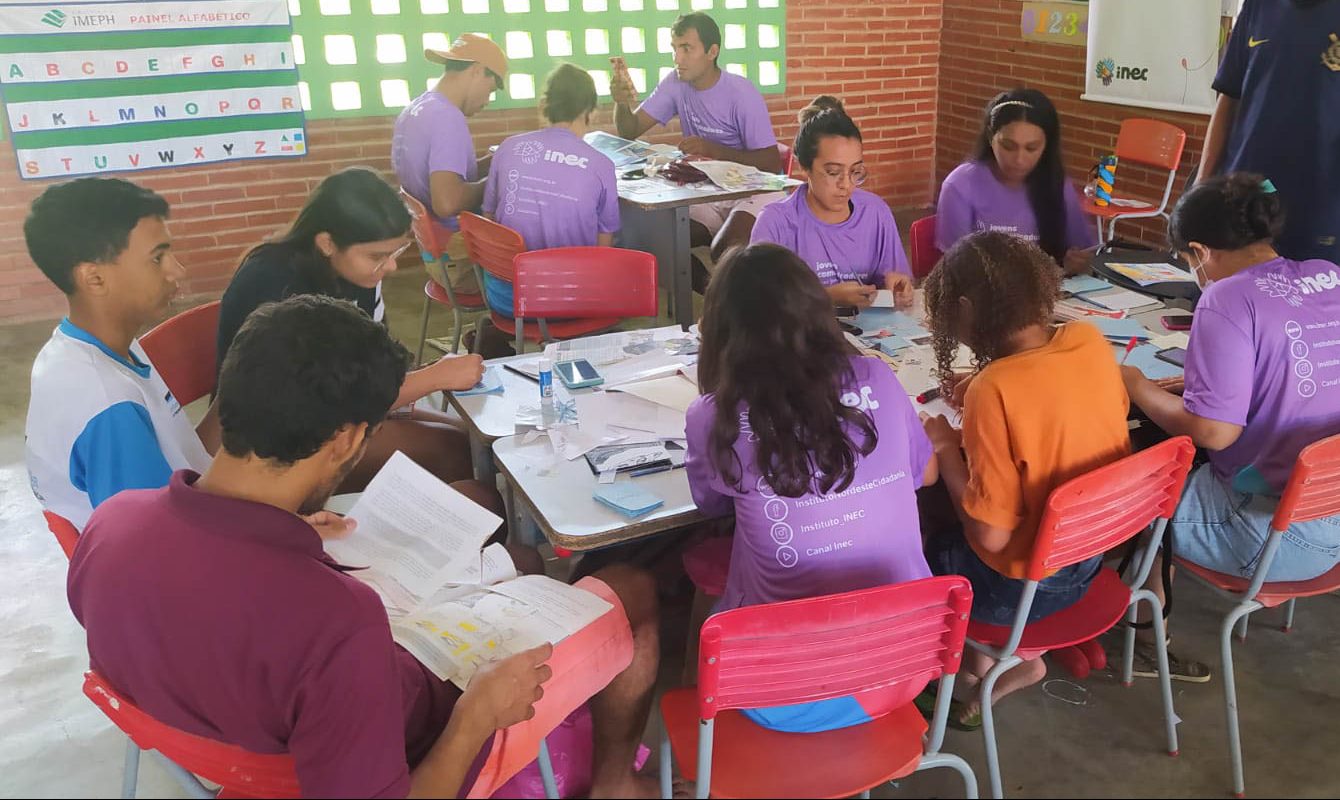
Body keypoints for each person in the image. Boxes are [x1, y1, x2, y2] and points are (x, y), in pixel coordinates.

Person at [68, 294, 664, 798]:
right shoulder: (338, 623)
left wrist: (294, 538)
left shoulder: (112, 525)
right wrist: (475, 717)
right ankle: (615, 783)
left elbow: (210, 599)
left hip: (243, 724)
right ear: (346, 438)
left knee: (499, 534)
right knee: (632, 586)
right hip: (415, 734)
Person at [684, 243, 938, 733]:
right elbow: (922, 476)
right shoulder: (878, 378)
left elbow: (710, 504)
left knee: (712, 563)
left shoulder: (712, 416)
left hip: (779, 692)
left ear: (718, 335)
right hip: (904, 667)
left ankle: (699, 714)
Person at [1122, 174, 1340, 675]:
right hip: (1328, 514)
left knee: (1133, 494)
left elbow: (1213, 433)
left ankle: (1143, 637)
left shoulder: (1226, 299)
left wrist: (1137, 387)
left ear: (1198, 251)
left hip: (1272, 535)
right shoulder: (1327, 275)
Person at [919, 232, 1131, 726]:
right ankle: (1013, 661)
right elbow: (1069, 405)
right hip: (1090, 562)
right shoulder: (1087, 339)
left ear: (966, 309)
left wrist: (948, 450)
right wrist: (982, 386)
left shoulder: (994, 391)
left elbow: (989, 534)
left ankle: (978, 671)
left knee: (923, 542)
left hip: (1019, 593)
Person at [216, 166, 485, 492]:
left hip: (339, 415)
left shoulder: (355, 273)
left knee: (473, 438)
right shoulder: (275, 286)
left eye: (396, 251)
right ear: (327, 243)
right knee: (454, 451)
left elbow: (372, 368)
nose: (391, 266)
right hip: (279, 444)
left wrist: (414, 385)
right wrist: (434, 378)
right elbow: (318, 404)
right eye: (377, 255)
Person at [23, 177, 212, 531]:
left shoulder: (92, 346)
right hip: (175, 558)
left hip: (189, 519)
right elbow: (156, 544)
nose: (178, 271)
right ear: (94, 279)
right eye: (158, 258)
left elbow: (179, 456)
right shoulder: (107, 402)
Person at [610, 12, 783, 273]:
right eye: (675, 48)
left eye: (687, 48)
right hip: (707, 191)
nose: (677, 58)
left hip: (753, 191)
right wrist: (621, 101)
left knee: (725, 251)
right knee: (658, 242)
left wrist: (713, 150)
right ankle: (707, 295)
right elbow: (628, 129)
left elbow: (771, 163)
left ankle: (719, 296)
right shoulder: (675, 83)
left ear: (712, 51)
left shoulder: (741, 92)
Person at [1197, 0, 1340, 263]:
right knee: (1227, 297)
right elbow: (1228, 97)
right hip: (1243, 199)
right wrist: (1201, 186)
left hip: (1319, 208)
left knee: (1307, 301)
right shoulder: (1257, 6)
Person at [482, 63, 621, 318]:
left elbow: (488, 219)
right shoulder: (601, 165)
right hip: (570, 301)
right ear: (591, 110)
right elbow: (604, 248)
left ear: (544, 104)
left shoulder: (508, 148)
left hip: (505, 299)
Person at [750, 95, 913, 311]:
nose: (846, 184)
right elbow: (756, 304)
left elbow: (895, 281)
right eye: (833, 172)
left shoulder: (875, 212)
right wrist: (825, 297)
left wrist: (898, 288)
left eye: (855, 172)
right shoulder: (776, 222)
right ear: (805, 168)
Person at [392, 33, 508, 293]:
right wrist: (498, 180)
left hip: (436, 259)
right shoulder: (448, 119)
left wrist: (494, 161)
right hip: (462, 264)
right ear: (478, 71)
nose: (487, 101)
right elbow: (447, 203)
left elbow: (442, 177)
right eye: (490, 90)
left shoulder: (417, 108)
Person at [935, 89, 1096, 275]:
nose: (1019, 159)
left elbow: (1083, 253)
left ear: (1046, 146)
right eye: (1008, 146)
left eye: (1031, 148)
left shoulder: (1057, 186)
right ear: (990, 137)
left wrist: (1078, 263)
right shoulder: (960, 186)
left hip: (1050, 293)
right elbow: (956, 268)